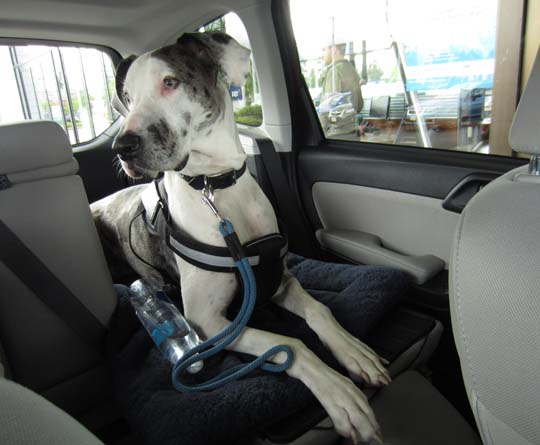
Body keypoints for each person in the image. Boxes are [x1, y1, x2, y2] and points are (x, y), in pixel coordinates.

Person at [319, 42, 363, 114]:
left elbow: (328, 110)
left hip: (336, 124)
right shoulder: (351, 69)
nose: (322, 54)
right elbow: (359, 105)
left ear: (334, 50)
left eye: (324, 50)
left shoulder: (333, 72)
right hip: (351, 123)